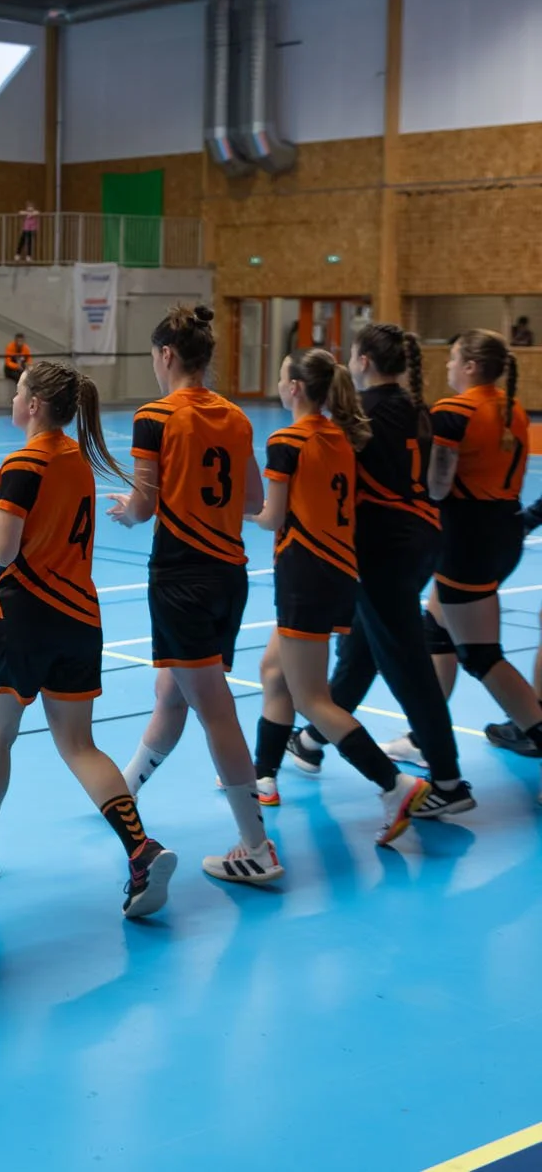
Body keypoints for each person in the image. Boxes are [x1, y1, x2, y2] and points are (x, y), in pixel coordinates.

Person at [0, 361, 177, 913]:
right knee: (80, 746)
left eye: (18, 391)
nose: (13, 399)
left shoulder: (23, 462)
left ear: (34, 405)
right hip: (81, 617)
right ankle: (141, 849)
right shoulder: (77, 461)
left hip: (23, 617)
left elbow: (2, 551)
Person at [105, 306, 279, 883]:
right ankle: (121, 793)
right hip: (230, 576)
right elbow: (254, 500)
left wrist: (129, 515)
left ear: (167, 356)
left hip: (182, 577)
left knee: (215, 708)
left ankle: (255, 845)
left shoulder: (155, 416)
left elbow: (145, 502)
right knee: (172, 692)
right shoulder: (234, 417)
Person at [244, 350, 432, 841]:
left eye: (282, 375)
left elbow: (271, 517)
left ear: (295, 389)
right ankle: (262, 778)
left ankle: (393, 783)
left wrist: (230, 511)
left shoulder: (288, 440)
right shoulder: (339, 438)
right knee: (273, 672)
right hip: (335, 573)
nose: (280, 383)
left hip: (305, 575)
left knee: (312, 698)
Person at [287, 326, 473, 813]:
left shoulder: (358, 415)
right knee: (366, 649)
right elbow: (437, 482)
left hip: (384, 550)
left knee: (407, 666)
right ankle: (310, 741)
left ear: (363, 360)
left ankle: (450, 784)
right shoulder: (418, 408)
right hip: (423, 539)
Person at [423, 330, 542, 770]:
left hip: (465, 542)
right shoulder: (511, 408)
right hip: (502, 534)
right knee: (436, 631)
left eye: (453, 359)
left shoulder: (453, 411)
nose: (448, 367)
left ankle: (535, 728)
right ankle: (426, 734)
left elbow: (436, 486)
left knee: (480, 654)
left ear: (471, 366)